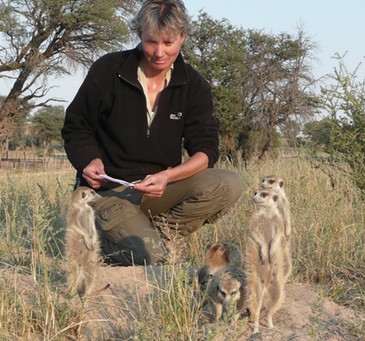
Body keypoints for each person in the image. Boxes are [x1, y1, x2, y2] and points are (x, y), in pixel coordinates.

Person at [61, 0, 243, 266]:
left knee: (228, 183)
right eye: (151, 42)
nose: (159, 52)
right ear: (139, 35)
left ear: (183, 36)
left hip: (158, 191)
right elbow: (76, 126)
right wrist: (90, 160)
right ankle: (97, 238)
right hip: (108, 191)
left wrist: (167, 176)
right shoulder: (108, 70)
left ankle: (159, 236)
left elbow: (205, 152)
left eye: (168, 42)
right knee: (151, 256)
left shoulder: (195, 86)